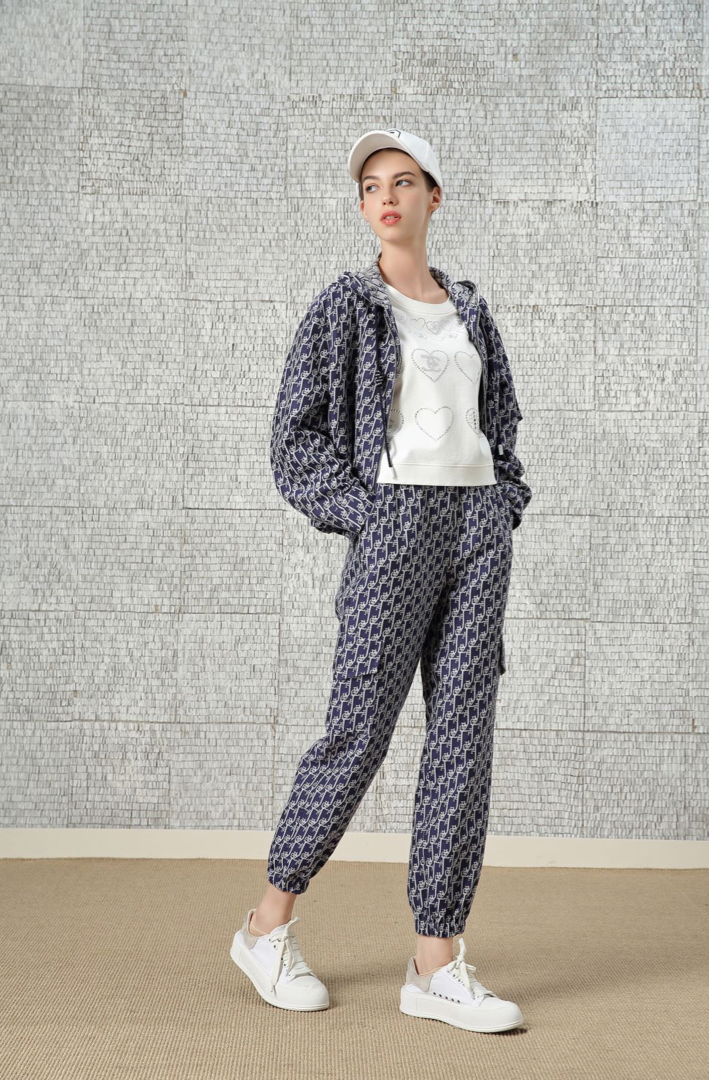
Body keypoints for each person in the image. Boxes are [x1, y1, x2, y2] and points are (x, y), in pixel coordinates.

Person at [230, 129, 532, 1032]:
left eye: (403, 182)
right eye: (371, 186)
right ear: (362, 206)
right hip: (394, 523)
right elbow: (293, 435)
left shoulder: (471, 310)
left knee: (461, 740)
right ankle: (265, 926)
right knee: (357, 731)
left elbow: (501, 419)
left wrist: (504, 499)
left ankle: (435, 963)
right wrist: (365, 512)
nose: (387, 197)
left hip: (477, 527)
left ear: (434, 197)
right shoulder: (345, 307)